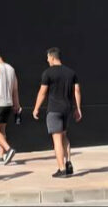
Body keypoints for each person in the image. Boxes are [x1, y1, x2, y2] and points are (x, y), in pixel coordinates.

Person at [33, 47, 82, 178]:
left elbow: (42, 92)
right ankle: (68, 163)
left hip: (54, 110)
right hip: (67, 109)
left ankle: (62, 169)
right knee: (64, 136)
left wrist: (36, 108)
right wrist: (78, 108)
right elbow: (77, 91)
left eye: (48, 58)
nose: (47, 60)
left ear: (52, 57)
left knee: (57, 140)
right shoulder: (71, 73)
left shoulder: (48, 73)